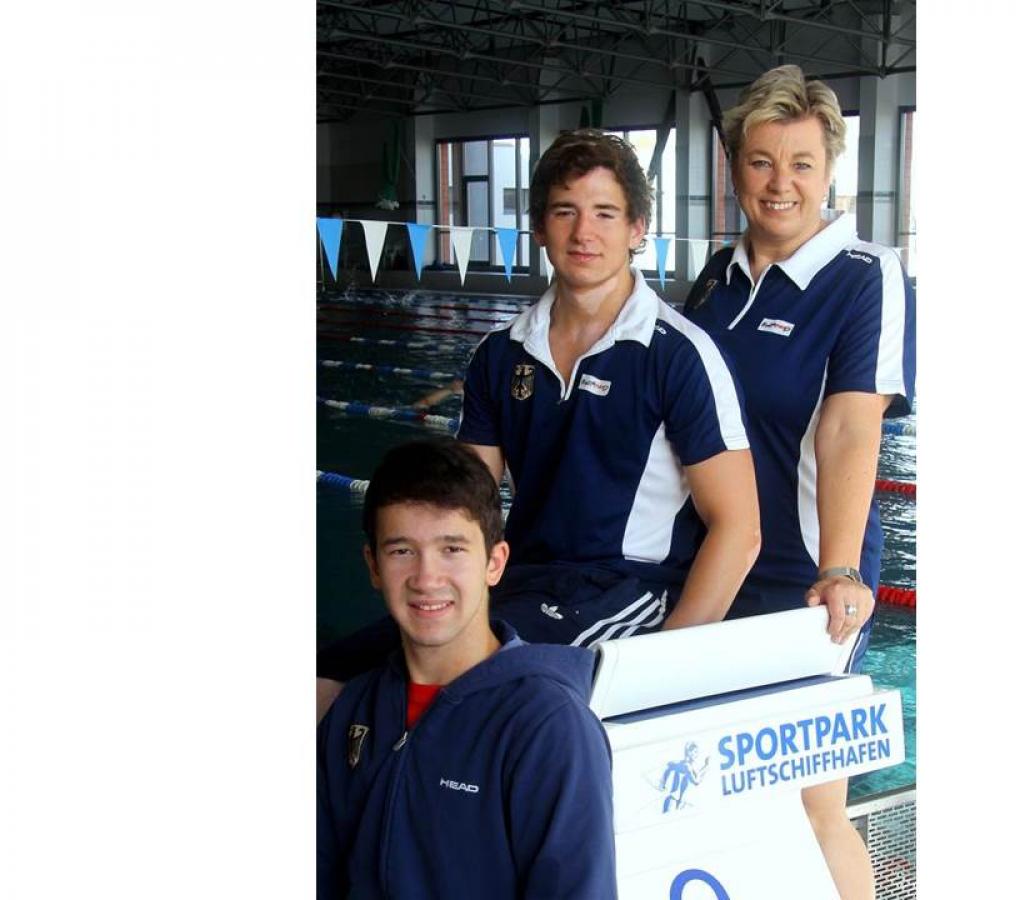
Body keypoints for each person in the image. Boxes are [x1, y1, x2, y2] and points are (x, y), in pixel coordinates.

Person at [317, 129, 760, 698]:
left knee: (459, 683)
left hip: (628, 591)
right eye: (565, 211)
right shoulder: (500, 355)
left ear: (636, 230)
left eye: (605, 213)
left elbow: (740, 529)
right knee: (330, 676)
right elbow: (465, 504)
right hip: (521, 584)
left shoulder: (677, 355)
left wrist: (665, 668)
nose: (584, 233)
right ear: (539, 227)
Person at [684, 65, 916, 900]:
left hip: (808, 580)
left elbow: (854, 424)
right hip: (713, 569)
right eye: (759, 161)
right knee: (710, 790)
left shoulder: (864, 274)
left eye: (802, 163)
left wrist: (843, 566)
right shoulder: (717, 277)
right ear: (735, 169)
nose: (780, 184)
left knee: (814, 803)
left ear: (830, 170)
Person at [317, 438, 617, 899]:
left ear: (495, 563)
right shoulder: (355, 710)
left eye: (452, 549)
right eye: (401, 551)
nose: (426, 578)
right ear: (373, 566)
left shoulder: (547, 727)